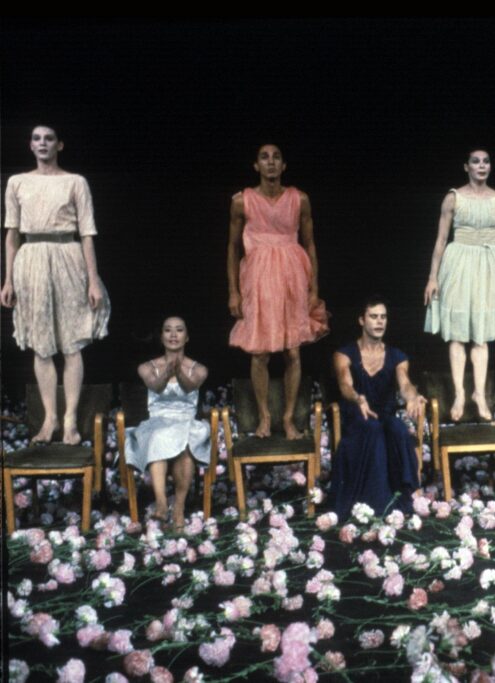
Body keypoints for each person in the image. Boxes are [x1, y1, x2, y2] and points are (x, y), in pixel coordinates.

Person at [1, 125, 110, 444]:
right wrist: (7, 279)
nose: (42, 143)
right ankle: (49, 420)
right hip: (32, 260)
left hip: (68, 257)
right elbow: (12, 234)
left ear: (59, 144)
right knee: (42, 344)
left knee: (72, 342)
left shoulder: (75, 182)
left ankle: (70, 421)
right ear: (30, 145)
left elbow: (87, 233)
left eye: (48, 138)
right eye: (36, 138)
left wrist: (93, 280)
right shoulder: (17, 182)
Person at [227, 144, 328, 439]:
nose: (270, 162)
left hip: (292, 276)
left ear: (284, 165)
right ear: (256, 165)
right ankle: (264, 417)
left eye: (276, 157)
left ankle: (287, 418)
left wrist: (314, 288)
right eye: (264, 157)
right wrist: (233, 291)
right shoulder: (241, 201)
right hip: (257, 277)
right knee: (259, 352)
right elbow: (232, 248)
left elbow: (310, 244)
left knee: (293, 351)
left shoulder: (300, 199)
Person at [424, 149, 495, 422]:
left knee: (481, 334)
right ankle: (459, 392)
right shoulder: (453, 198)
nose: (482, 165)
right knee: (457, 333)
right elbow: (440, 240)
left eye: (486, 161)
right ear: (466, 166)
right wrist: (433, 276)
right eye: (476, 161)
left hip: (488, 264)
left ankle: (479, 393)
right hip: (458, 262)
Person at [332, 298, 424, 519]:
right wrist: (358, 398)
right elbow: (345, 384)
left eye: (383, 317)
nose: (379, 322)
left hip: (385, 416)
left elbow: (405, 384)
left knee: (398, 428)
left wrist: (412, 397)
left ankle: (406, 495)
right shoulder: (344, 354)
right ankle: (376, 503)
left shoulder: (397, 356)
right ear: (362, 320)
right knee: (372, 428)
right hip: (357, 418)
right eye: (373, 316)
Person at [125, 317, 209, 530]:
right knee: (158, 436)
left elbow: (190, 387)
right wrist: (166, 372)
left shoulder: (198, 368)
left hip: (185, 421)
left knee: (186, 442)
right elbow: (155, 386)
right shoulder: (147, 367)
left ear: (186, 337)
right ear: (161, 337)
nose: (173, 335)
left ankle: (179, 507)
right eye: (168, 330)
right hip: (158, 421)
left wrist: (179, 372)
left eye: (179, 330)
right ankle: (162, 504)